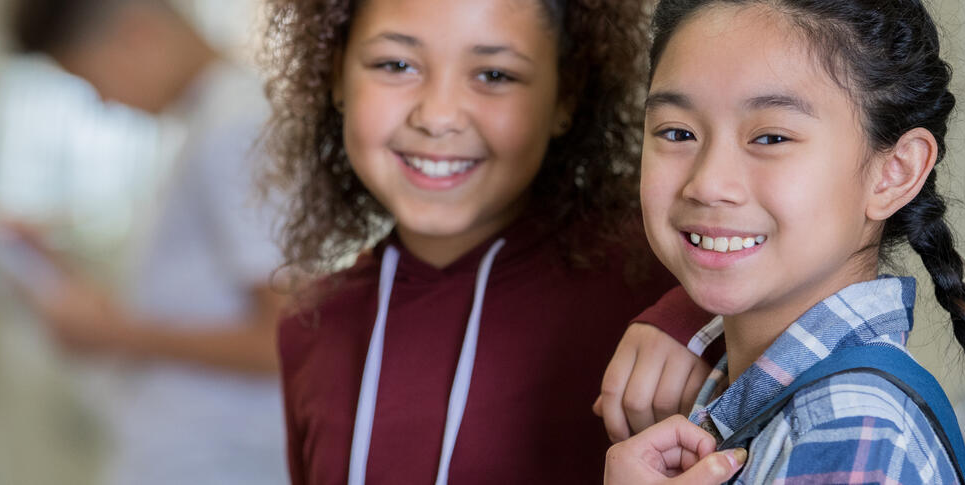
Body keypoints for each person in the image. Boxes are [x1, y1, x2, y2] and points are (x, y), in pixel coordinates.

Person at [605, 1, 965, 483]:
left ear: (893, 173)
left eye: (771, 138)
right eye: (677, 132)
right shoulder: (770, 397)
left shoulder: (849, 428)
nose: (707, 184)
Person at [259, 0, 719, 482]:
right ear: (337, 77)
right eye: (395, 65)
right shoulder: (313, 325)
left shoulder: (668, 301)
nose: (438, 117)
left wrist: (694, 316)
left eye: (495, 75)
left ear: (566, 94)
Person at [7, 0, 288, 482]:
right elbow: (194, 302)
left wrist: (117, 337)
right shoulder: (206, 121)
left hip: (216, 461)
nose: (102, 102)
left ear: (135, 35)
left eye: (89, 79)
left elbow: (284, 338)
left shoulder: (233, 128)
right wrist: (56, 268)